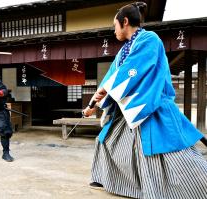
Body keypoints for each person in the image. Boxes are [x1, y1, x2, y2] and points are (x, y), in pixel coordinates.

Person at [83, 2, 207, 199]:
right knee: (106, 139)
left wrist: (106, 89)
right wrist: (93, 103)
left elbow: (131, 70)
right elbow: (111, 77)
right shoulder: (125, 49)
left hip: (151, 106)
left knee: (163, 151)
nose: (114, 30)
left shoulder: (149, 39)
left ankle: (191, 186)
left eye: (115, 26)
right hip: (128, 109)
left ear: (124, 22)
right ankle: (106, 178)